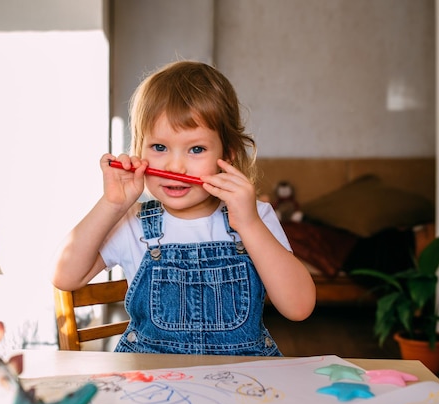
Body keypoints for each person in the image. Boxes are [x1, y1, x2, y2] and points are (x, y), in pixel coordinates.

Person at [53, 61, 315, 356]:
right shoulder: (132, 222)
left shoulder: (255, 217)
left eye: (196, 149)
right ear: (139, 150)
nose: (174, 166)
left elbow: (299, 308)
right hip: (152, 389)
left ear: (227, 155)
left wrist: (251, 225)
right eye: (159, 148)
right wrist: (112, 204)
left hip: (240, 388)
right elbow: (64, 276)